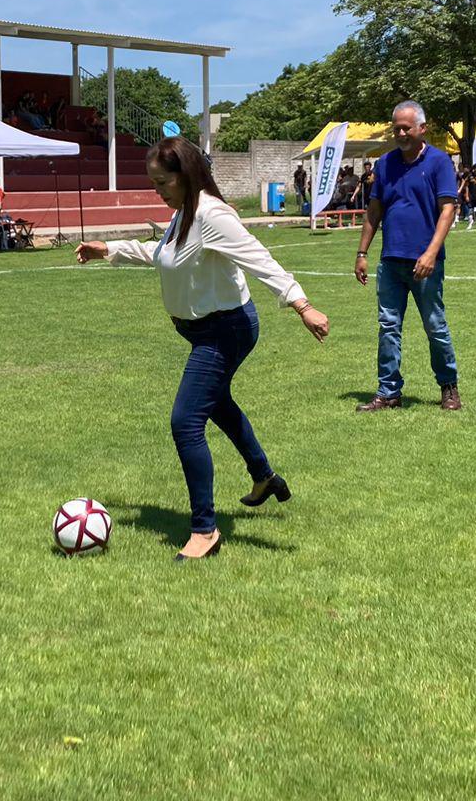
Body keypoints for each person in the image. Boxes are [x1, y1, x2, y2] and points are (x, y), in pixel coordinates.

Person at [75, 137, 329, 561]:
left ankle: (204, 530)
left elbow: (259, 258)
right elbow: (163, 254)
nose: (158, 190)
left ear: (186, 175)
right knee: (217, 404)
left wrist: (301, 304)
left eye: (163, 182)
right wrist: (111, 250)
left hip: (225, 330)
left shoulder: (212, 215)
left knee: (185, 420)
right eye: (154, 182)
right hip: (202, 331)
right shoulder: (184, 214)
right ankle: (264, 477)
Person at [354, 99, 462, 413]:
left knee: (434, 326)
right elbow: (374, 211)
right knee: (388, 326)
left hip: (425, 263)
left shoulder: (440, 162)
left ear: (421, 128)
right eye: (396, 128)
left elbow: (447, 209)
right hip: (391, 261)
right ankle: (388, 392)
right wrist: (362, 252)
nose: (400, 133)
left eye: (406, 128)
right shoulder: (385, 164)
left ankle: (449, 387)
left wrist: (430, 253)